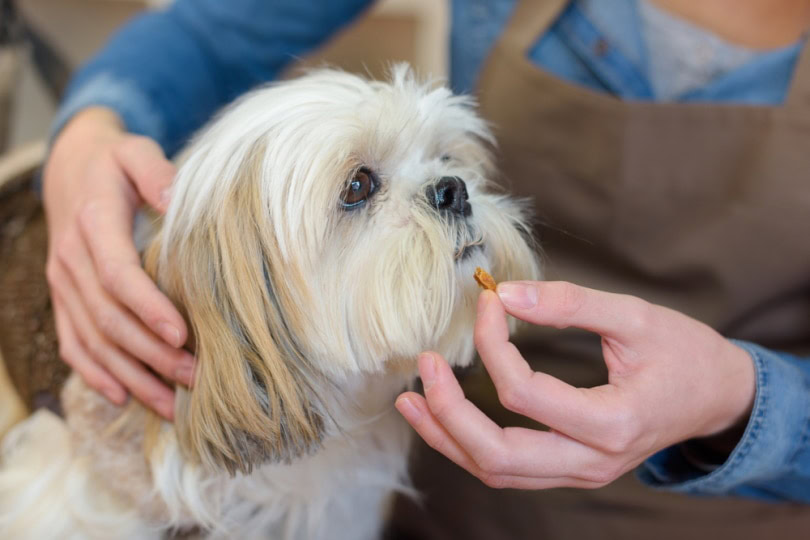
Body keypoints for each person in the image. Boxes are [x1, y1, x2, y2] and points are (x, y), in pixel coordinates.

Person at [43, 0, 810, 536]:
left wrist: (742, 404)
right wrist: (89, 134)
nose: (455, 192)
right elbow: (209, 35)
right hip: (428, 469)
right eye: (360, 188)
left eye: (450, 166)